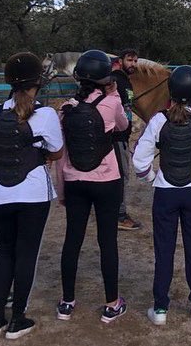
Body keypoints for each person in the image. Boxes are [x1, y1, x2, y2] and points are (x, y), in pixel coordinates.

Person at [132, 65, 191, 326]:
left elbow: (140, 162)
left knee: (163, 250)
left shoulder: (158, 120)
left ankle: (161, 309)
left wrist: (152, 179)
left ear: (171, 92)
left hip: (165, 194)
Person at [0, 52, 64, 339]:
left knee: (4, 251)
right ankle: (18, 318)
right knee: (26, 254)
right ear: (38, 82)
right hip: (31, 193)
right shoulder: (45, 114)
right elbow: (57, 151)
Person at [54, 50, 129, 324]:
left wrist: (61, 191)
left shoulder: (65, 109)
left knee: (72, 240)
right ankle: (112, 303)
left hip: (75, 181)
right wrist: (114, 95)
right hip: (107, 180)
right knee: (107, 241)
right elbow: (123, 124)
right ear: (104, 78)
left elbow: (61, 156)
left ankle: (67, 302)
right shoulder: (111, 103)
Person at [111, 48, 142, 230]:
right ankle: (120, 216)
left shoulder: (125, 80)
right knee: (122, 176)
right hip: (116, 137)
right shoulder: (116, 80)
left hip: (123, 136)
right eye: (130, 60)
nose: (133, 64)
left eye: (135, 60)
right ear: (121, 60)